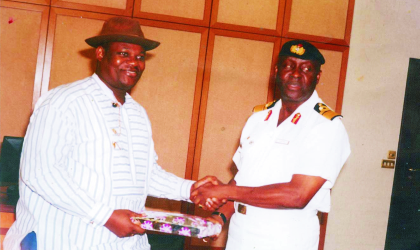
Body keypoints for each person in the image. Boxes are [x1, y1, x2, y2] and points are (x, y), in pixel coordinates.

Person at [4, 17, 220, 250]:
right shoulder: (63, 102)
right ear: (100, 54)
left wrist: (191, 189)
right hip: (63, 240)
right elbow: (40, 174)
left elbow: (145, 175)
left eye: (140, 57)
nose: (134, 63)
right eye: (124, 54)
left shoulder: (137, 113)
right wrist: (105, 215)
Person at [192, 40, 351, 250]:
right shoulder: (259, 118)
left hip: (285, 238)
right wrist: (219, 217)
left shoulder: (325, 126)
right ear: (277, 71)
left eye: (306, 69)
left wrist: (223, 192)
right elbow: (243, 179)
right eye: (289, 66)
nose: (295, 74)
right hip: (240, 235)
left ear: (318, 76)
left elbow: (297, 195)